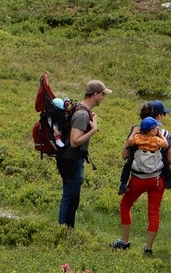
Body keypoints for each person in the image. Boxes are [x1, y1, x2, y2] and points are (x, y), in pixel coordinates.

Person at [110, 111, 171, 253]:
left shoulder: (136, 138)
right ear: (153, 129)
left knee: (125, 205)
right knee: (153, 212)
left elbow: (124, 156)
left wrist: (132, 134)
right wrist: (160, 135)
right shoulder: (159, 139)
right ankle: (149, 247)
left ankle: (125, 242)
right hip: (157, 180)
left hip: (137, 180)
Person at [56, 79, 110, 229]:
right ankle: (64, 230)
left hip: (69, 159)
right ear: (95, 94)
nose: (104, 98)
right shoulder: (82, 114)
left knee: (71, 196)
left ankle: (66, 228)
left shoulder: (82, 110)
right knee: (70, 197)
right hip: (71, 161)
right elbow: (74, 141)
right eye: (103, 94)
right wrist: (93, 130)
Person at [117, 101, 171, 194]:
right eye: (164, 114)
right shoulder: (164, 134)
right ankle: (169, 182)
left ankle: (122, 185)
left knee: (125, 205)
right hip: (156, 177)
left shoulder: (135, 131)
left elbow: (124, 155)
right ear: (159, 116)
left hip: (136, 176)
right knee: (154, 207)